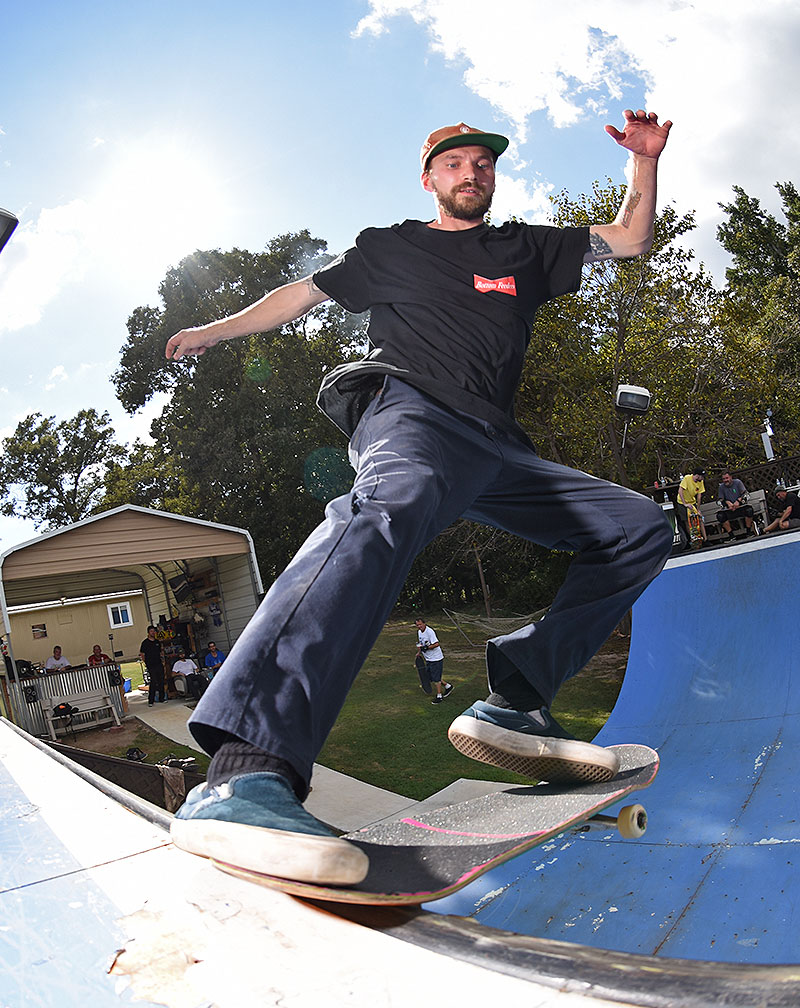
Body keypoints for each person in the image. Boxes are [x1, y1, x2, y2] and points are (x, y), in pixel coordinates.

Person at [164, 110, 674, 887]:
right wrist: (214, 329)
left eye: (482, 165)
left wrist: (645, 163)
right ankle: (245, 769)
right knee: (387, 506)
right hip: (409, 414)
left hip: (495, 448)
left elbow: (630, 237)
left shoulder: (527, 248)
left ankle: (517, 698)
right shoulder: (389, 247)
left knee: (637, 527)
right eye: (455, 164)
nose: (471, 174)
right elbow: (297, 294)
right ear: (431, 177)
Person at [415, 618, 453, 704]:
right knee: (431, 677)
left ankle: (439, 696)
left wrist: (427, 647)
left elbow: (436, 644)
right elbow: (421, 644)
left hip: (436, 658)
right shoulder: (419, 632)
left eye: (420, 624)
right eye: (417, 625)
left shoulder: (430, 631)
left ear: (424, 623)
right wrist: (419, 652)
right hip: (428, 658)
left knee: (436, 678)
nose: (419, 626)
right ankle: (448, 686)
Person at [716, 472, 755, 539]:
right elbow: (719, 501)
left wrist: (739, 501)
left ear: (731, 477)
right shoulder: (721, 487)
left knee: (749, 510)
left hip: (740, 507)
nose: (725, 480)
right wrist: (727, 503)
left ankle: (749, 532)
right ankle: (731, 536)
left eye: (727, 478)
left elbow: (746, 495)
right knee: (720, 516)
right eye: (724, 479)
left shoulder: (738, 482)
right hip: (729, 510)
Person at [675, 471, 706, 548]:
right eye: (702, 476)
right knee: (687, 521)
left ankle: (705, 539)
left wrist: (698, 509)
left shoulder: (700, 482)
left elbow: (699, 496)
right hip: (682, 502)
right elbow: (680, 491)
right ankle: (694, 540)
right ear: (698, 475)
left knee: (699, 519)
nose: (703, 478)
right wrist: (685, 503)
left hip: (692, 502)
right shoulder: (687, 478)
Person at [139, 626, 166, 706]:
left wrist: (163, 660)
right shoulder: (145, 643)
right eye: (151, 631)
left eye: (154, 631)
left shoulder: (157, 642)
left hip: (158, 663)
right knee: (153, 682)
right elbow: (142, 654)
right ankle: (151, 700)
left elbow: (160, 652)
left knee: (161, 681)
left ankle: (162, 698)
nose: (153, 633)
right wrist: (146, 662)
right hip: (151, 665)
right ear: (148, 632)